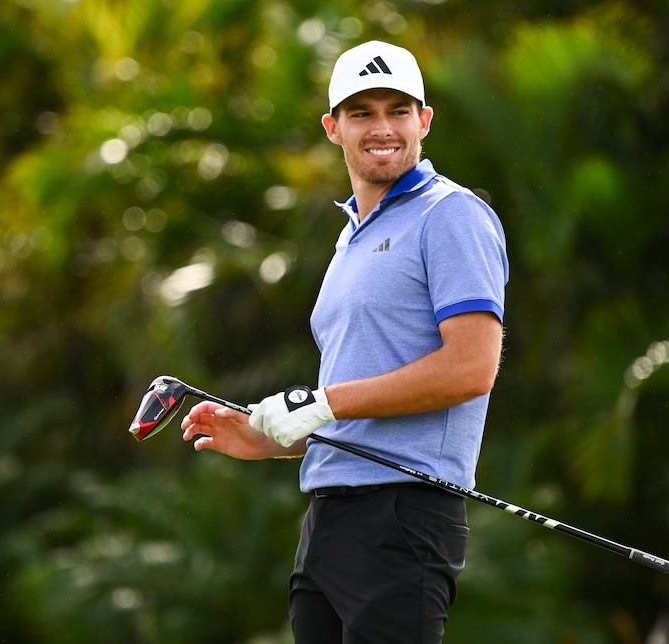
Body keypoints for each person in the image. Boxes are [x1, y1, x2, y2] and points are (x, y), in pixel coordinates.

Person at [181, 40, 508, 643]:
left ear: (424, 121)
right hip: (328, 520)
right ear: (333, 128)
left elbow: (471, 368)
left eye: (397, 110)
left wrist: (324, 402)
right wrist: (267, 437)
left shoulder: (451, 215)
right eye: (362, 113)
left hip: (405, 515)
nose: (381, 128)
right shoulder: (350, 240)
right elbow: (363, 401)